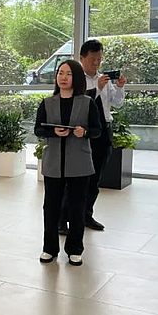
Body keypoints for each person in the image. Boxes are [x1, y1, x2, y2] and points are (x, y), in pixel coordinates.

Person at [35, 60, 102, 267]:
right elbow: (38, 129)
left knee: (77, 208)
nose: (63, 77)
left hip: (79, 162)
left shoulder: (87, 103)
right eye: (60, 73)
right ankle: (49, 248)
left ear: (77, 78)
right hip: (54, 162)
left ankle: (75, 249)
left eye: (68, 74)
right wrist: (52, 132)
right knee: (51, 207)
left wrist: (85, 132)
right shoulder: (47, 103)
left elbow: (97, 130)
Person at [59, 39, 127, 234]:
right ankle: (62, 220)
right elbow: (76, 103)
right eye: (92, 59)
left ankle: (86, 215)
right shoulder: (75, 79)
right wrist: (96, 88)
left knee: (95, 177)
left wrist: (119, 87)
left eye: (99, 59)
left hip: (104, 129)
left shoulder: (104, 79)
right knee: (74, 179)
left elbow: (116, 103)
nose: (96, 63)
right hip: (82, 132)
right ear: (81, 58)